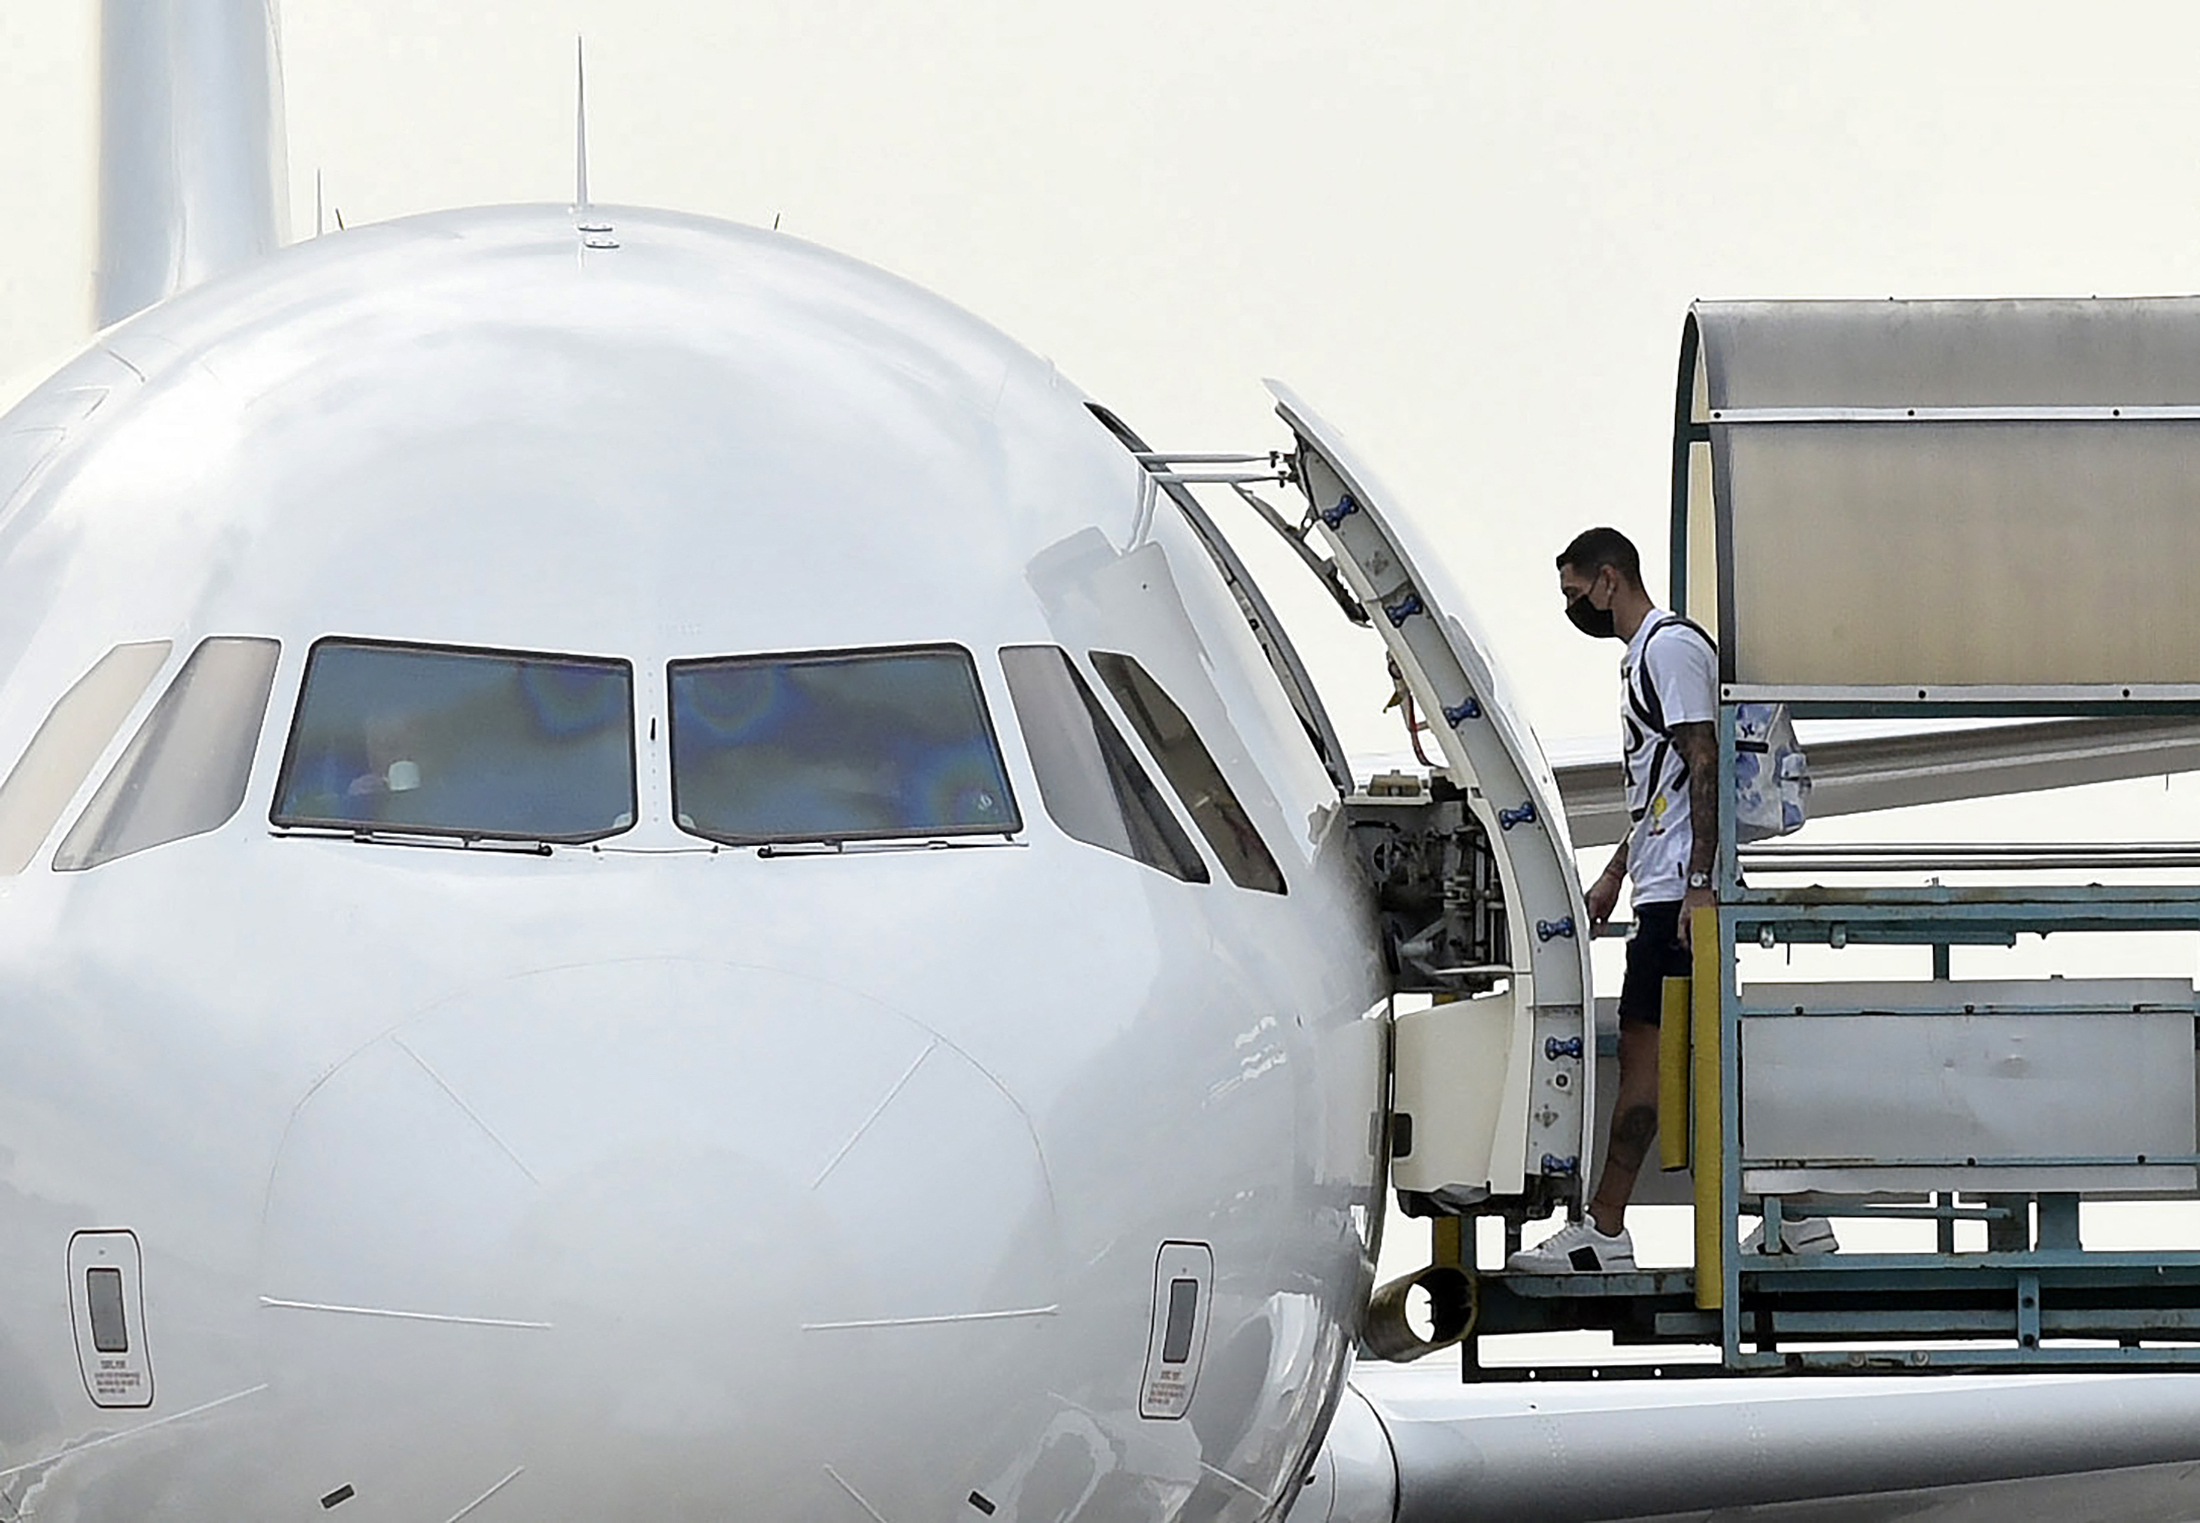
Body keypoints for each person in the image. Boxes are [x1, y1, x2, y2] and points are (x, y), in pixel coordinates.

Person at [1505, 526, 1721, 1274]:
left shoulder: (1669, 649)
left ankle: (1604, 1226)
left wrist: (1698, 886)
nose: (1576, 611)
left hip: (1680, 901)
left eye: (1575, 594)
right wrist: (1616, 871)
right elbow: (1663, 789)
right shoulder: (1643, 660)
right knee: (1668, 1060)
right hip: (1662, 887)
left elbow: (1703, 760)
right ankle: (1611, 1221)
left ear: (1608, 579)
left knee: (1645, 1060)